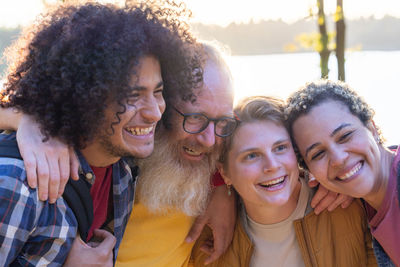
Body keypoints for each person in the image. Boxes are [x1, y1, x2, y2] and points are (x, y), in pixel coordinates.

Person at [0, 44, 352, 266]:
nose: (211, 139)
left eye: (222, 122)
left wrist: (338, 180)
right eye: (195, 118)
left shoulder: (221, 167)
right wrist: (27, 119)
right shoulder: (120, 157)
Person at [0, 1, 201, 266]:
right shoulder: (16, 184)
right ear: (84, 95)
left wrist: (224, 193)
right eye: (132, 95)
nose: (154, 112)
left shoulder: (123, 167)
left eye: (158, 92)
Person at [191, 96, 377, 267]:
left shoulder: (349, 204)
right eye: (252, 155)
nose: (271, 166)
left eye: (280, 148)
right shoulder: (210, 237)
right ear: (224, 173)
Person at [285, 79, 399, 266]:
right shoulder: (362, 208)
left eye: (345, 136)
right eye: (318, 154)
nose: (338, 159)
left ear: (372, 128)